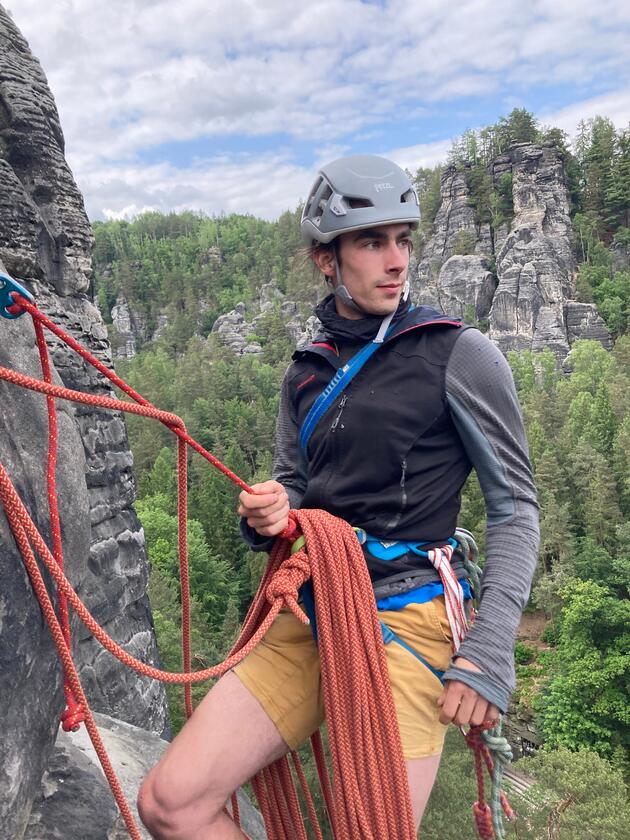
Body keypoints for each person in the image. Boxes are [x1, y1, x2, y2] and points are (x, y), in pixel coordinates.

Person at [138, 155, 539, 839]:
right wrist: (272, 512)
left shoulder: (457, 353)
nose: (396, 260)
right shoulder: (308, 368)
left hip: (407, 619)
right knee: (170, 804)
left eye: (403, 240)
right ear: (328, 259)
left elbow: (515, 507)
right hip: (314, 606)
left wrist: (491, 650)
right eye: (372, 242)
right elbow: (296, 483)